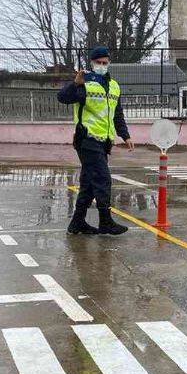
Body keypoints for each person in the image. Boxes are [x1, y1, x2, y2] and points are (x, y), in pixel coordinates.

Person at [58, 46, 134, 235]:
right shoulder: (85, 83)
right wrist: (75, 85)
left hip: (104, 142)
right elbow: (62, 97)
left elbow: (117, 113)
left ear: (108, 63)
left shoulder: (114, 86)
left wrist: (125, 135)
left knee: (89, 182)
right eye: (98, 62)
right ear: (92, 64)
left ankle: (77, 222)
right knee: (102, 178)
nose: (101, 65)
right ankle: (105, 221)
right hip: (87, 139)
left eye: (104, 62)